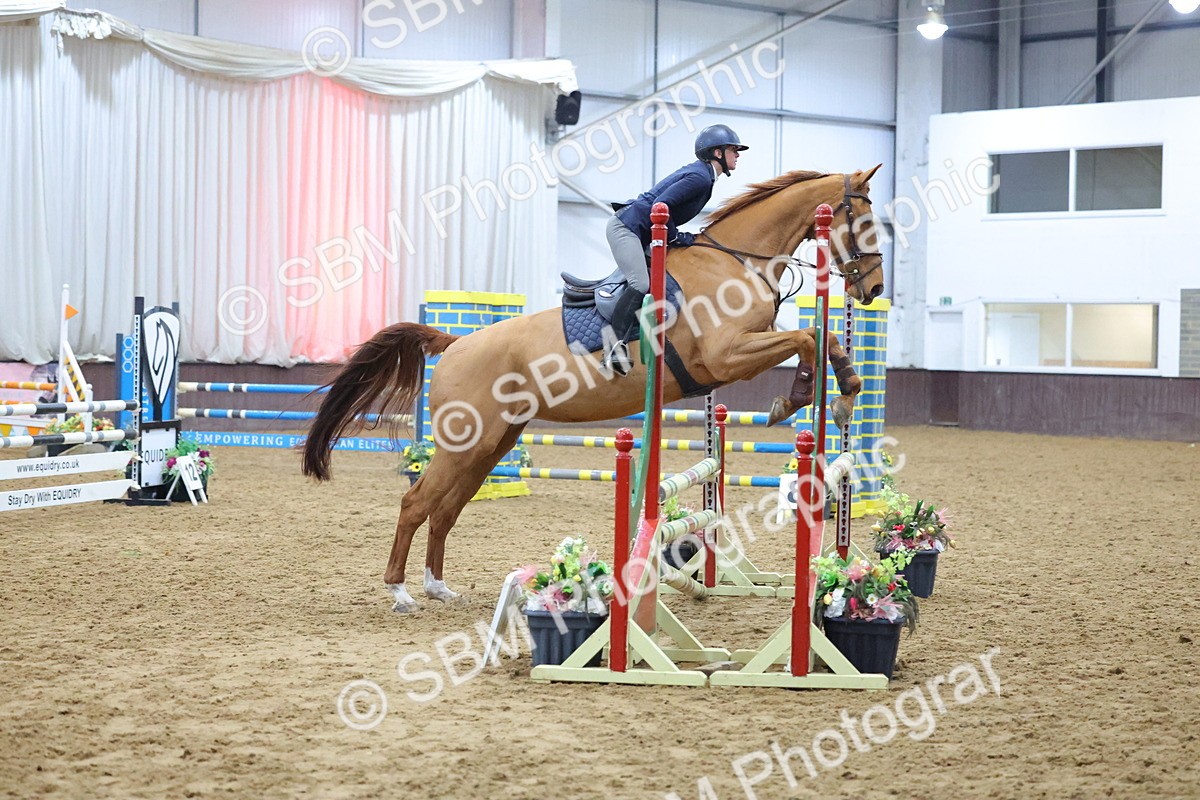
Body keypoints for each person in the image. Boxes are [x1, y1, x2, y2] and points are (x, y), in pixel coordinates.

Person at [602, 124, 748, 375]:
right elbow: (661, 205)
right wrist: (676, 235)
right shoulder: (700, 177)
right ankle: (613, 346)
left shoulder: (704, 176)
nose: (738, 155)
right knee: (639, 283)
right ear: (717, 153)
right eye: (733, 149)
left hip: (644, 233)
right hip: (626, 229)